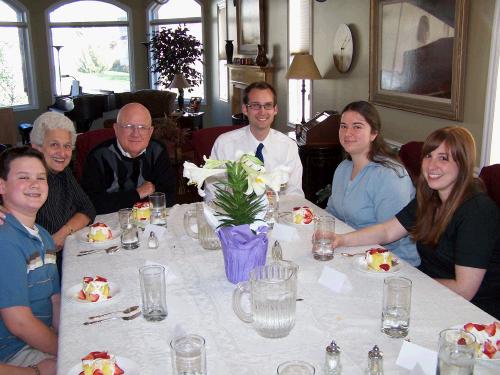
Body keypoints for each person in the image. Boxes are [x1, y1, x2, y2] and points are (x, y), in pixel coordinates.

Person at [333, 126, 500, 318]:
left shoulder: (477, 212)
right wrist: (341, 240)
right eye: (428, 156)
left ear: (463, 163)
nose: (432, 165)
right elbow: (387, 231)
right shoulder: (430, 197)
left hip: (474, 314)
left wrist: (404, 284)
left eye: (443, 158)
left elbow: (464, 289)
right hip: (431, 292)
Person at [325, 101, 419, 266]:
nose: (348, 133)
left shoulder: (390, 175)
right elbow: (332, 213)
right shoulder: (343, 168)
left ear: (374, 133)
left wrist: (344, 243)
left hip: (390, 262)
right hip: (350, 250)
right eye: (343, 126)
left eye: (357, 126)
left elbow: (391, 237)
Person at [0, 147, 60, 368]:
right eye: (23, 177)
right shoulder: (5, 240)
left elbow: (55, 300)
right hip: (13, 353)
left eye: (40, 178)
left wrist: (72, 336)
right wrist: (65, 349)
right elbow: (19, 323)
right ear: (2, 186)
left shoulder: (43, 235)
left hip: (40, 339)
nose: (34, 184)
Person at [210, 81, 303, 197]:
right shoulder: (224, 144)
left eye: (268, 105)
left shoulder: (289, 146)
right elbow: (213, 192)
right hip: (236, 213)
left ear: (275, 110)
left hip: (278, 211)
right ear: (245, 109)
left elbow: (295, 193)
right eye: (255, 105)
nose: (262, 112)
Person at [29, 112, 96, 273]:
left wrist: (63, 233)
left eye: (67, 146)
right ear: (37, 147)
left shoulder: (62, 172)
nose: (62, 153)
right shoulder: (27, 181)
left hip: (67, 253)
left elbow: (88, 209)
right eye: (54, 145)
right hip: (42, 265)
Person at [81, 102, 176, 214]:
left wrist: (117, 201)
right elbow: (92, 204)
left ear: (150, 132)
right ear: (116, 129)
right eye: (129, 126)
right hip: (108, 225)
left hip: (149, 221)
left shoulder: (157, 151)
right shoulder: (98, 157)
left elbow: (168, 198)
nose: (136, 134)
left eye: (142, 127)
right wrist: (138, 193)